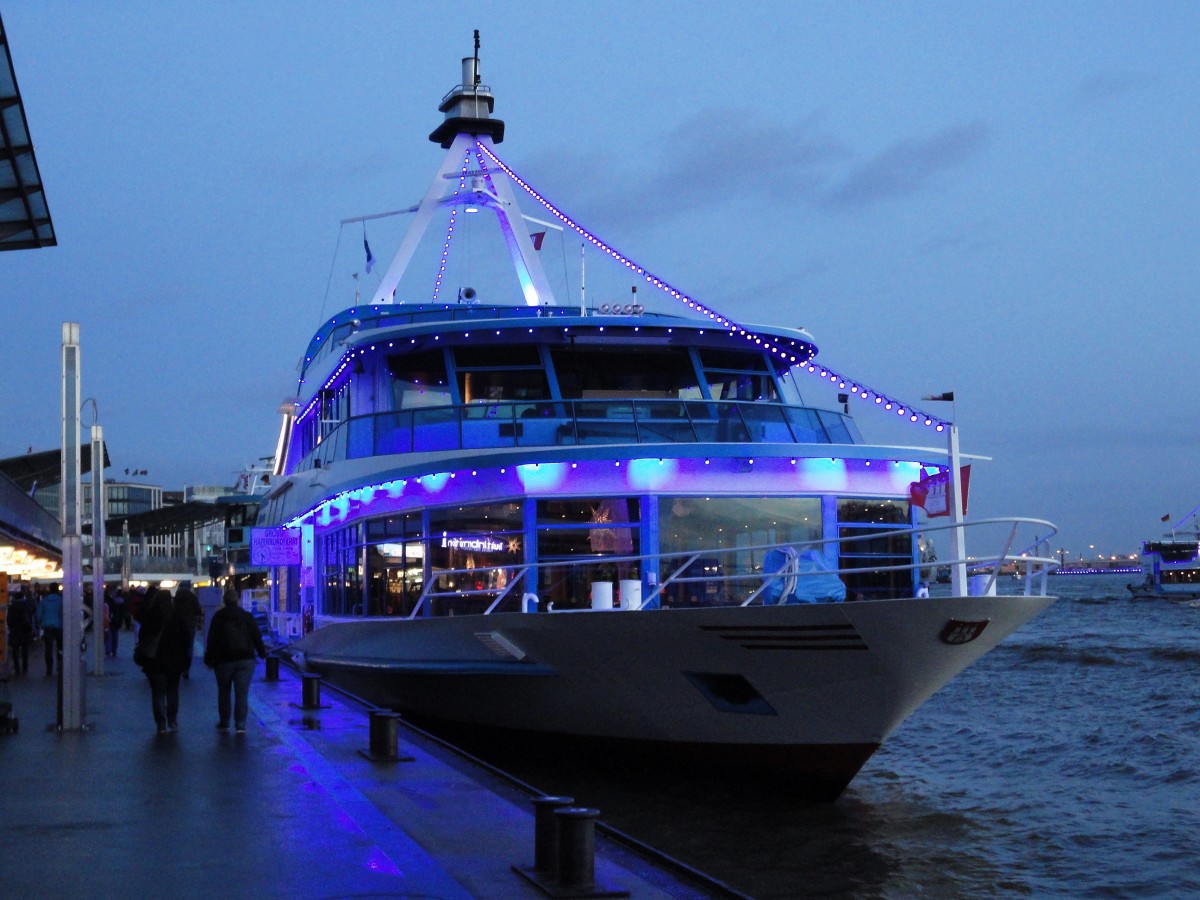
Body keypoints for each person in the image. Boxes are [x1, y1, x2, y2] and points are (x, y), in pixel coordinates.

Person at [203, 586, 267, 734]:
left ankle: (224, 722)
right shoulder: (247, 616)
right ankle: (240, 725)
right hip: (245, 660)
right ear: (237, 600)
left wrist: (209, 659)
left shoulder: (218, 617)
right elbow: (257, 636)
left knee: (224, 692)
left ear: (224, 601)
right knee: (242, 693)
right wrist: (262, 653)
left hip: (223, 661)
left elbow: (212, 639)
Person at [134, 587, 193, 734]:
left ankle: (161, 723)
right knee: (173, 691)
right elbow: (187, 639)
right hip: (175, 660)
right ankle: (172, 720)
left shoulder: (150, 616)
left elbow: (142, 638)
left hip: (154, 661)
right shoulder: (177, 616)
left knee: (157, 693)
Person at [171, 581, 203, 679]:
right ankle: (186, 669)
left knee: (177, 646)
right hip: (189, 625)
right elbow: (198, 611)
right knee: (189, 646)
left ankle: (177, 666)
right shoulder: (193, 597)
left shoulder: (176, 598)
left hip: (176, 625)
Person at [34, 585, 64, 677]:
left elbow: (38, 614)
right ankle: (60, 666)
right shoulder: (62, 600)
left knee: (48, 648)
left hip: (47, 627)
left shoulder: (44, 600)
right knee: (60, 647)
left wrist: (39, 623)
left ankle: (49, 668)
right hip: (59, 626)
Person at [7, 588, 36, 676]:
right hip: (25, 630)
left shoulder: (11, 607)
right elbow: (32, 614)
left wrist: (11, 627)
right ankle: (25, 668)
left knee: (15, 651)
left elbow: (9, 619)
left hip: (15, 631)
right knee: (24, 650)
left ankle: (17, 668)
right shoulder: (26, 605)